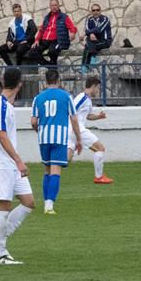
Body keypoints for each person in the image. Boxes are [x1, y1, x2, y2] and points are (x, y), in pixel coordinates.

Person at [0, 67, 34, 265]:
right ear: (19, 84)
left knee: (28, 202)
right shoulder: (0, 106)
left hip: (10, 165)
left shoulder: (7, 106)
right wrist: (19, 160)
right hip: (1, 164)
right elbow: (2, 136)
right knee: (3, 205)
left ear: (3, 81)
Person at [31, 68, 82, 215]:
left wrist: (39, 131)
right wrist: (79, 138)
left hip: (43, 138)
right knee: (56, 170)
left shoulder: (38, 98)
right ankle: (49, 204)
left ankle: (46, 202)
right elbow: (74, 119)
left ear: (45, 81)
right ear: (59, 80)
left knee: (47, 170)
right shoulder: (66, 96)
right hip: (59, 137)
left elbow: (33, 121)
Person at [67, 77, 113, 184]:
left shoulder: (87, 99)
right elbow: (70, 111)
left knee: (66, 159)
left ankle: (51, 166)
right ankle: (99, 177)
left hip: (73, 130)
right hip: (77, 129)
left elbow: (88, 116)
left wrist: (99, 117)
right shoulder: (82, 97)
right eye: (98, 88)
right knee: (100, 148)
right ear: (93, 86)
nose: (98, 91)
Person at [30, 0, 77, 67]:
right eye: (52, 5)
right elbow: (42, 30)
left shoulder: (64, 17)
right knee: (32, 51)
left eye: (55, 5)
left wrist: (73, 32)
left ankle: (52, 66)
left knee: (52, 51)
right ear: (50, 6)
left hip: (56, 40)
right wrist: (37, 40)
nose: (54, 7)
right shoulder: (47, 17)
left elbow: (72, 27)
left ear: (58, 6)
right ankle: (50, 66)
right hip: (45, 40)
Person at [80, 4, 112, 70]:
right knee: (88, 42)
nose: (95, 12)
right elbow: (87, 29)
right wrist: (90, 34)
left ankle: (85, 65)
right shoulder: (89, 20)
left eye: (97, 10)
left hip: (105, 41)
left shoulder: (105, 19)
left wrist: (87, 33)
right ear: (91, 12)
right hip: (94, 41)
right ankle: (92, 59)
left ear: (100, 11)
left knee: (88, 45)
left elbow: (99, 29)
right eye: (93, 10)